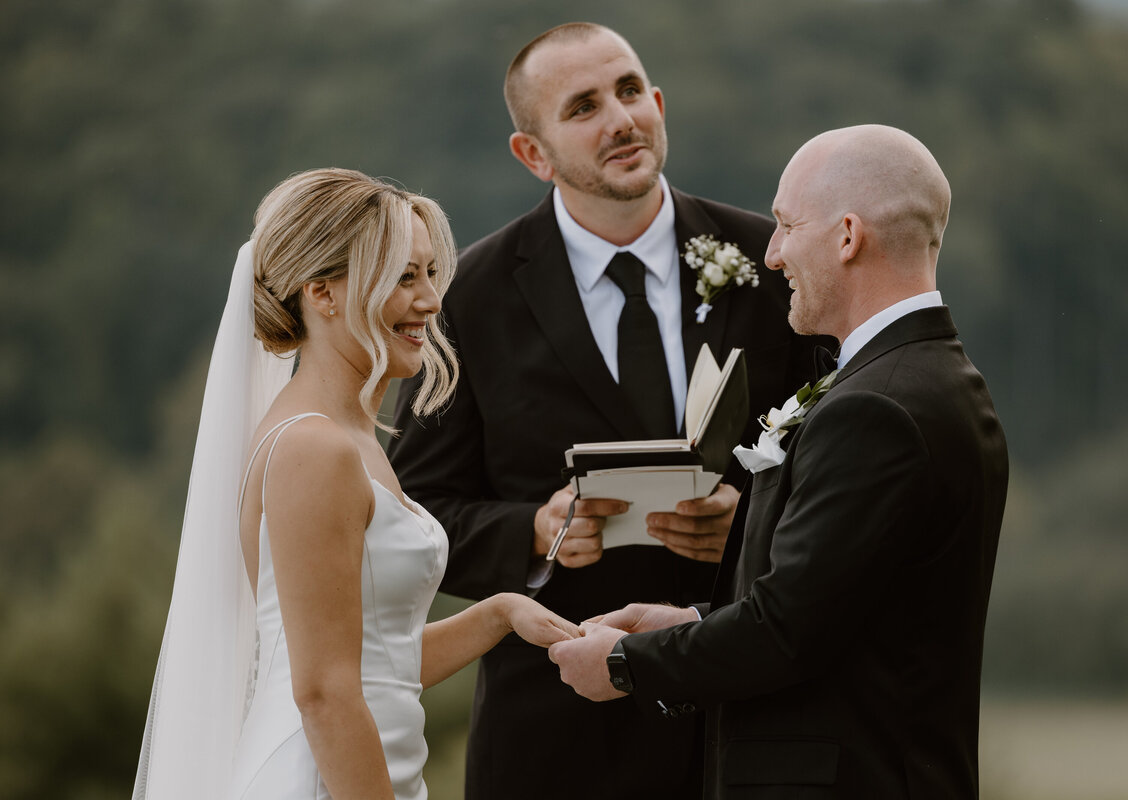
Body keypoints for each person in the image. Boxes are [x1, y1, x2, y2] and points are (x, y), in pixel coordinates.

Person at [386, 22, 833, 800]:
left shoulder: (771, 262)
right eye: (584, 106)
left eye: (630, 91)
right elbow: (410, 516)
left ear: (659, 104)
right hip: (553, 731)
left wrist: (754, 517)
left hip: (742, 718)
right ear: (534, 153)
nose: (620, 118)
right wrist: (532, 529)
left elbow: (841, 459)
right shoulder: (470, 298)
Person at [549, 125, 1010, 799]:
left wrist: (625, 663)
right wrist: (694, 623)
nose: (771, 254)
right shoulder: (923, 379)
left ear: (848, 236)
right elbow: (830, 606)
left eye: (786, 224)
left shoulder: (876, 410)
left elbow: (785, 633)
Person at [133, 168, 580, 800]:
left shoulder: (352, 435)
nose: (430, 299)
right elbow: (322, 692)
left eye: (430, 273)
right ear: (322, 293)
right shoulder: (315, 448)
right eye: (403, 276)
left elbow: (379, 665)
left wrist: (502, 614)